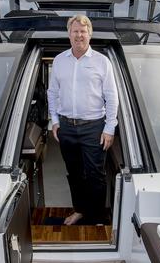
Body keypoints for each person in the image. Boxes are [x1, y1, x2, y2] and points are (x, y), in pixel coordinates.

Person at [47, 14, 119, 225]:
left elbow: (112, 96)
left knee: (95, 174)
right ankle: (80, 210)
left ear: (89, 34)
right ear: (69, 34)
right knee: (75, 173)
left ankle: (97, 216)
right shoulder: (60, 61)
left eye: (83, 31)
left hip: (94, 128)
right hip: (66, 127)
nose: (79, 35)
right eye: (75, 31)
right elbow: (52, 92)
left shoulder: (102, 62)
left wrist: (109, 128)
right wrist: (55, 121)